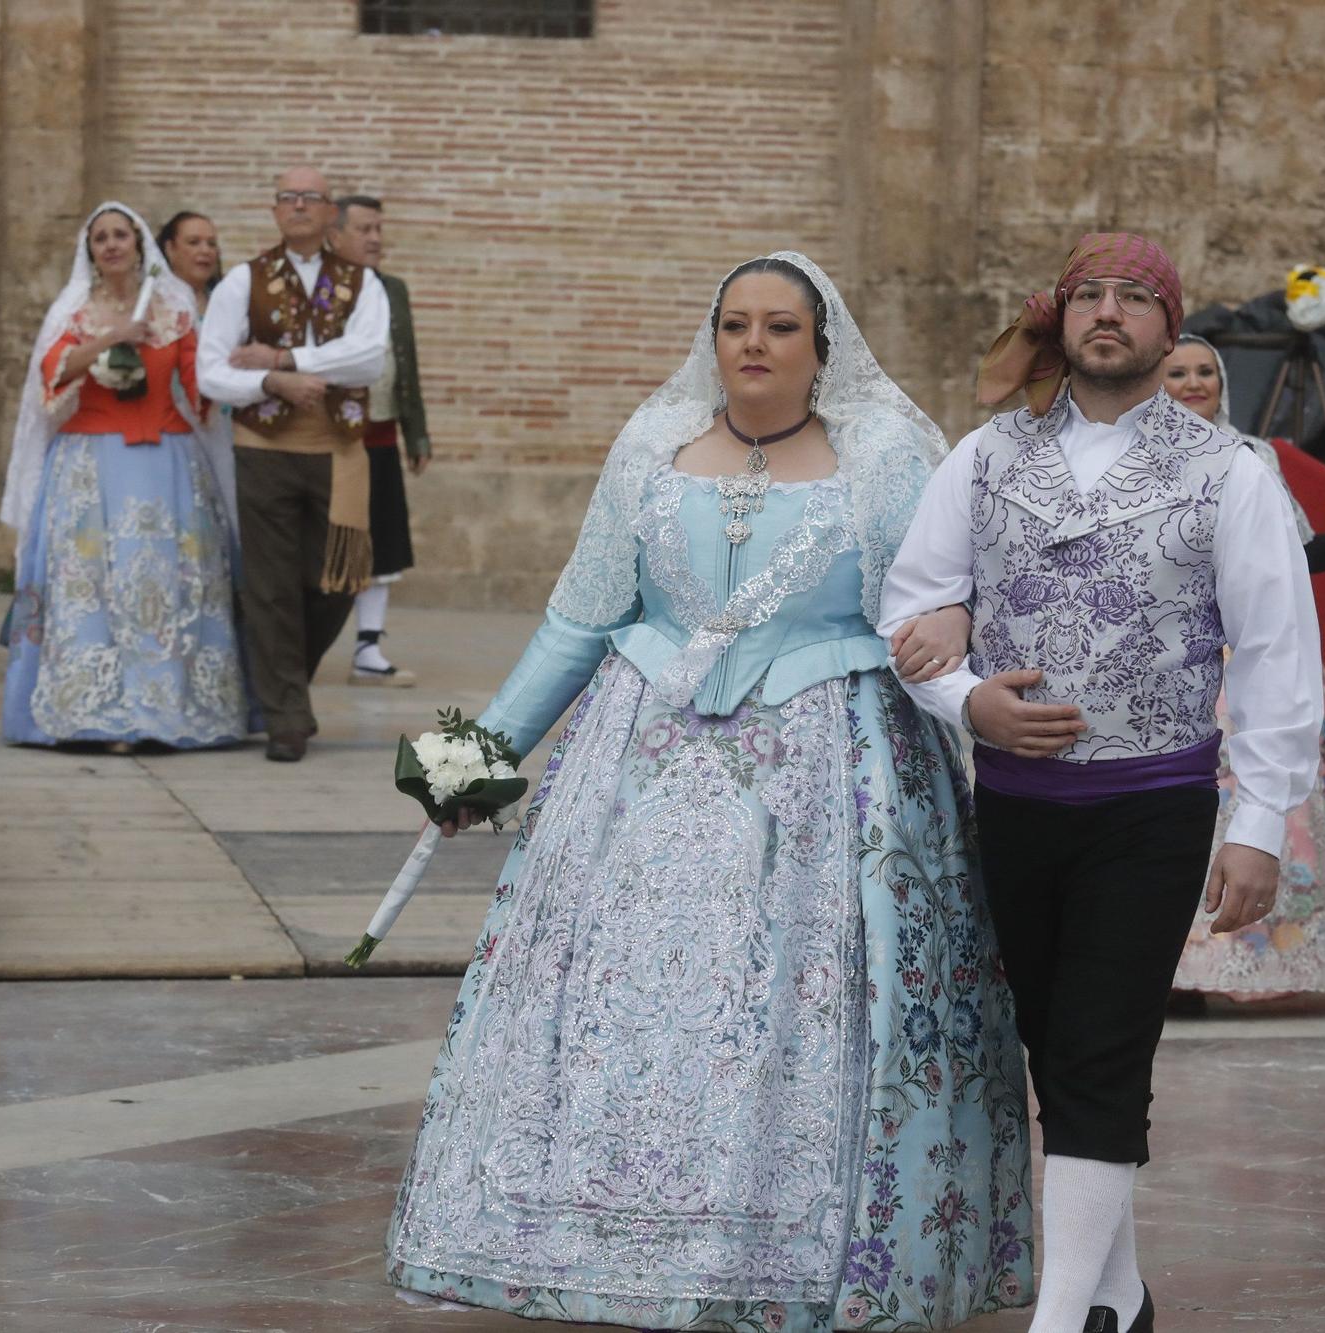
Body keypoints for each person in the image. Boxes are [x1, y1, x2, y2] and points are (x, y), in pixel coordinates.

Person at [385, 253, 1033, 1327]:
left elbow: (931, 614)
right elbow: (580, 619)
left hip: (831, 781)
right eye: (735, 323)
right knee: (620, 995)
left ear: (821, 348)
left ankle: (787, 1247)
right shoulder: (649, 449)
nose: (753, 344)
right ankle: (575, 1230)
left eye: (781, 326)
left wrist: (973, 695)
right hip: (636, 775)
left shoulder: (881, 461)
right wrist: (476, 758)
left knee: (791, 998)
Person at [878, 233, 1323, 1333]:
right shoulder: (983, 457)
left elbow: (1274, 649)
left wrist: (1258, 822)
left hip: (1153, 803)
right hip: (1016, 809)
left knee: (1101, 1042)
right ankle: (1117, 1296)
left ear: (1171, 330)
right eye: (1089, 296)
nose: (1109, 313)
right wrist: (967, 699)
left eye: (1135, 298)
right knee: (1052, 1041)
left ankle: (1060, 1311)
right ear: (1060, 319)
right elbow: (911, 604)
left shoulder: (1228, 472)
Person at [1161, 335, 1325, 999]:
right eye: (1176, 371)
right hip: (1176, 659)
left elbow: (1289, 554)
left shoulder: (1250, 456)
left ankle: (1264, 959)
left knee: (1279, 797)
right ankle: (1176, 970)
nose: (1193, 383)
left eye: (1205, 371)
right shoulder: (1134, 459)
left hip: (1250, 654)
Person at [0, 202, 249, 752]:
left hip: (169, 464)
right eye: (100, 238)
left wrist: (233, 371)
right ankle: (96, 709)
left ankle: (166, 708)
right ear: (89, 252)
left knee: (168, 586)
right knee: (92, 588)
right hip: (90, 466)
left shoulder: (173, 308)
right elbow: (51, 373)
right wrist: (111, 338)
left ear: (140, 246)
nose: (111, 245)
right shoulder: (74, 311)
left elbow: (198, 386)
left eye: (121, 236)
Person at [197, 168, 390, 762]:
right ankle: (286, 715)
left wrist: (287, 355)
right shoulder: (241, 281)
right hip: (265, 452)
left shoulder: (363, 283)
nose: (300, 206)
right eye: (289, 197)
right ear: (275, 211)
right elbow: (212, 370)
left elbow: (369, 359)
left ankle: (279, 688)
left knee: (336, 582)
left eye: (312, 197)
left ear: (331, 213)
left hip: (337, 451)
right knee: (270, 585)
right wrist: (271, 380)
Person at [327, 194, 428, 688]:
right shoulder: (322, 289)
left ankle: (368, 646)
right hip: (329, 437)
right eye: (364, 228)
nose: (375, 239)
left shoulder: (394, 289)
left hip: (382, 433)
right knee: (332, 541)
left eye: (378, 229)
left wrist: (417, 432)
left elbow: (405, 364)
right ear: (335, 234)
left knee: (384, 540)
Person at [156, 210, 239, 539]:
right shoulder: (154, 304)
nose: (205, 250)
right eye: (194, 242)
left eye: (211, 243)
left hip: (225, 425)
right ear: (170, 249)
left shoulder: (228, 303)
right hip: (175, 428)